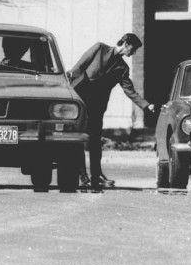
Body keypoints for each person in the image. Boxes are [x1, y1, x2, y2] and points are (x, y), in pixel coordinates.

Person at [66, 32, 157, 191]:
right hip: (80, 101)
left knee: (95, 141)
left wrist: (146, 105)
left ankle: (96, 177)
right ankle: (82, 176)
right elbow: (79, 66)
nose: (133, 53)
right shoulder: (99, 48)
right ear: (126, 44)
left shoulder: (123, 68)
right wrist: (68, 87)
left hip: (97, 107)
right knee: (79, 139)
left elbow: (129, 91)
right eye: (133, 49)